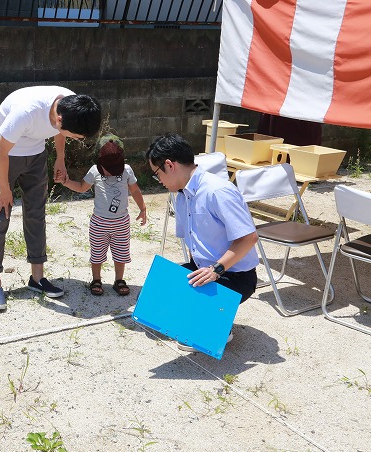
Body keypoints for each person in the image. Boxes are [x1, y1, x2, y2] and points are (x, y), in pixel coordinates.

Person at [0, 85, 102, 311]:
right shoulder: (26, 111)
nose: (77, 140)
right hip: (4, 154)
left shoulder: (69, 103)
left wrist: (60, 158)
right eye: (76, 137)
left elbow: (61, 133)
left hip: (36, 154)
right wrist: (5, 189)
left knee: (36, 213)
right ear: (59, 120)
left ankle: (37, 278)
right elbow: (1, 150)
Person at [146, 133, 259, 350]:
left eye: (156, 174)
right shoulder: (183, 194)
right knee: (156, 293)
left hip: (235, 275)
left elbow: (248, 238)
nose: (158, 181)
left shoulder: (218, 191)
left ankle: (217, 326)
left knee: (189, 337)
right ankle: (205, 314)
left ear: (169, 165)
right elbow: (194, 243)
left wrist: (216, 270)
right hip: (205, 269)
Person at [59, 134, 147, 296]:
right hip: (99, 223)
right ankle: (96, 279)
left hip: (121, 223)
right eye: (108, 169)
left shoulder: (127, 170)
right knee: (97, 254)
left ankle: (119, 280)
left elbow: (135, 190)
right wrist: (66, 181)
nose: (111, 172)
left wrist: (142, 208)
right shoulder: (95, 171)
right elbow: (81, 187)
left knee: (121, 253)